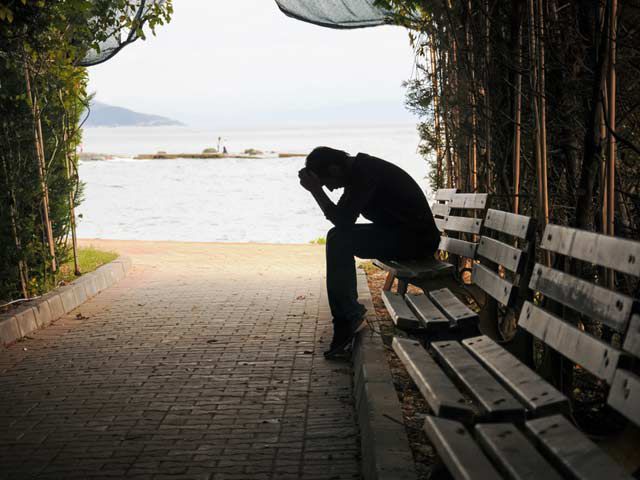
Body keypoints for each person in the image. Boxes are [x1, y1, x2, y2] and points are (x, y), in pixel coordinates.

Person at [298, 147, 440, 358]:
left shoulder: (365, 173)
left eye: (327, 183)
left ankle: (347, 320)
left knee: (339, 240)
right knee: (336, 237)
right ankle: (347, 318)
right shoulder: (359, 171)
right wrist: (317, 189)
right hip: (404, 235)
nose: (330, 189)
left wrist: (316, 191)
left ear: (334, 169)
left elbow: (343, 220)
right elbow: (342, 219)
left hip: (417, 240)